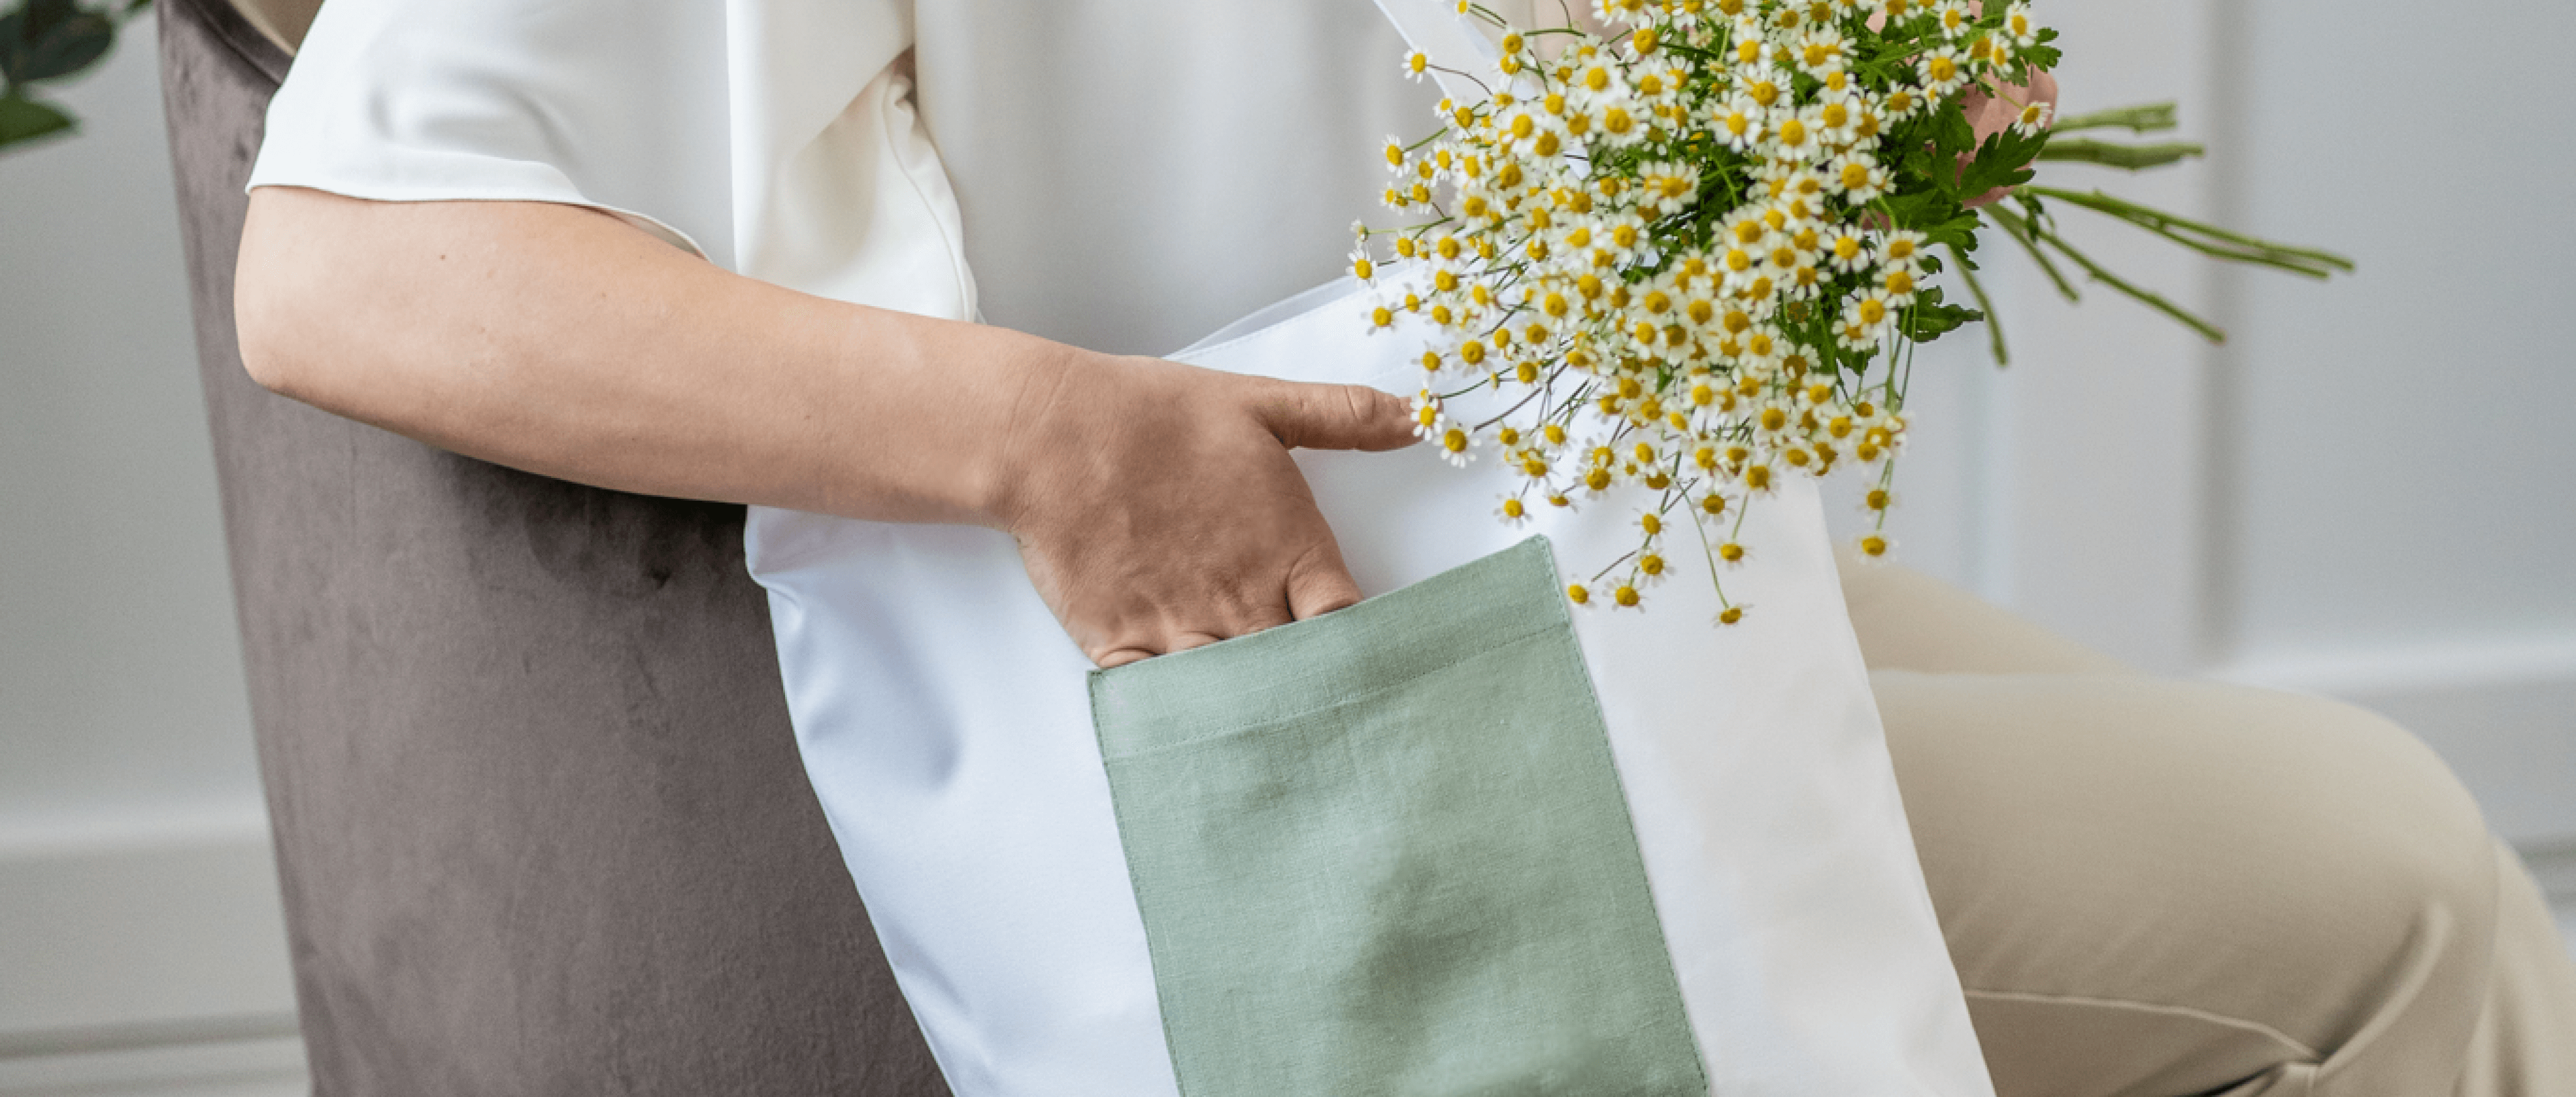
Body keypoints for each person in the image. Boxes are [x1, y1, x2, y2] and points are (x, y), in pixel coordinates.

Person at [226, 0, 2576, 1091]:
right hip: (1332, 635)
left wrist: (1848, 94)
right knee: (2398, 894)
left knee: (2275, 817)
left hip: (1578, 513)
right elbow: (344, 262)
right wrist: (1053, 442)